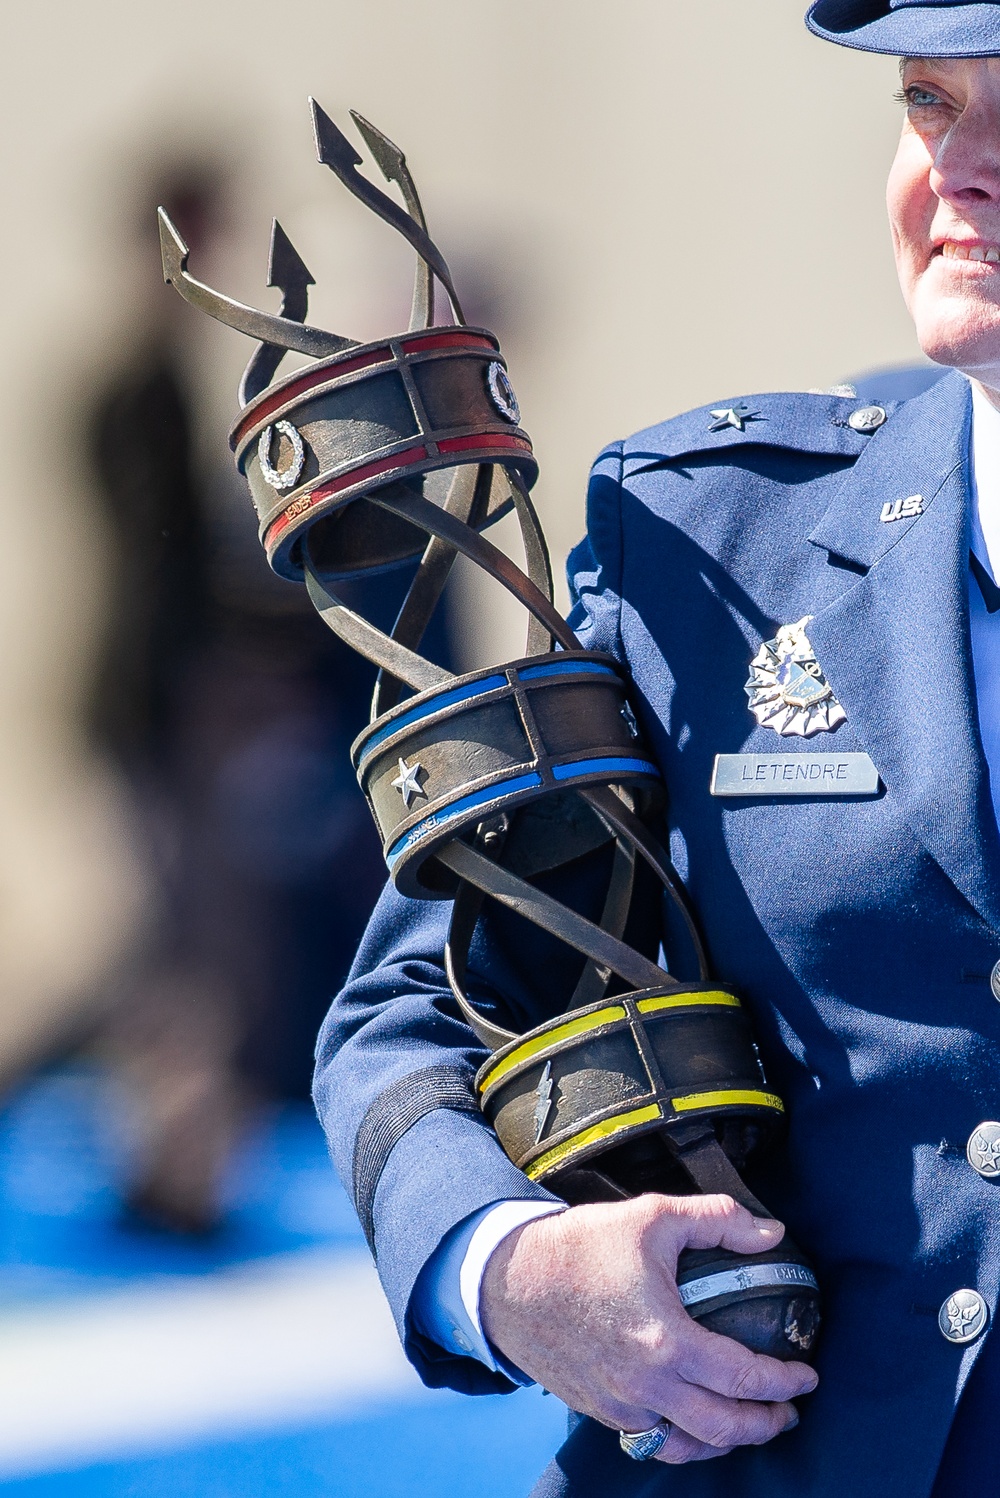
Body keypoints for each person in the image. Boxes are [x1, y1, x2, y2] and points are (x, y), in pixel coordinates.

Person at [313, 3, 1000, 1493]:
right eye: (931, 104)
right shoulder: (708, 543)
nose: (964, 168)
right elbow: (409, 1014)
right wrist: (513, 1268)